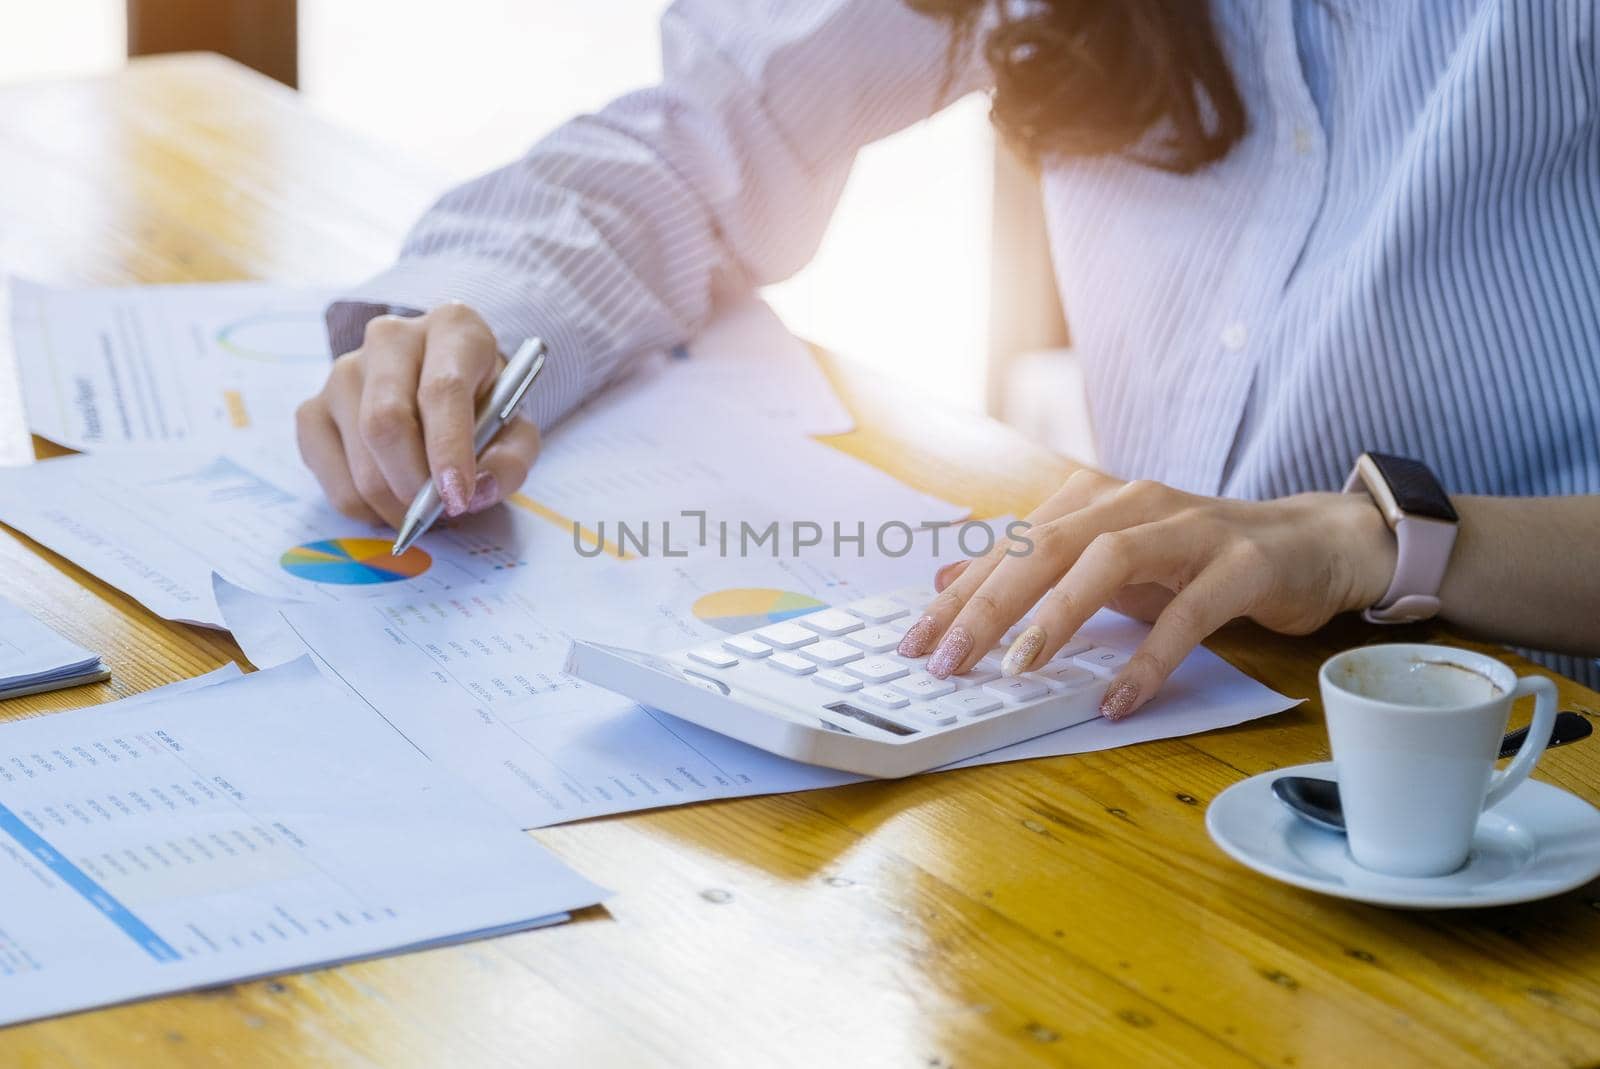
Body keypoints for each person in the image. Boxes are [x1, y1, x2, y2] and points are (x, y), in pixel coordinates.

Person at [296, 0, 1600, 719]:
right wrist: (460, 324)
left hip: (1537, 756)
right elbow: (694, 142)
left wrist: (1376, 542)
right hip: (1158, 721)